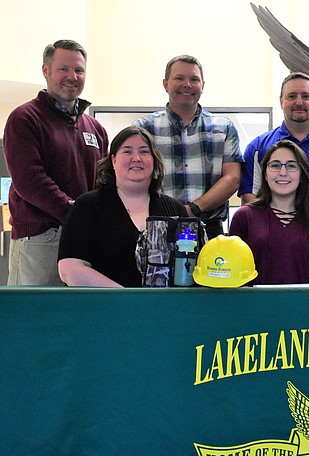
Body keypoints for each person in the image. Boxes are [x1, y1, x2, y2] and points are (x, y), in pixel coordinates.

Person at [3, 39, 109, 286]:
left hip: (85, 238)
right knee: (35, 317)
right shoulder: (25, 118)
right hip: (42, 238)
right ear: (46, 71)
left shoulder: (95, 128)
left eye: (79, 70)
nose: (72, 76)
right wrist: (77, 215)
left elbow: (105, 182)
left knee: (78, 317)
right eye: (63, 69)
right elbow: (29, 181)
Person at [58, 126, 188, 287]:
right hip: (104, 308)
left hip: (164, 309)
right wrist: (127, 299)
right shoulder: (88, 206)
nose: (136, 158)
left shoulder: (176, 210)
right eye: (127, 151)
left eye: (144, 151)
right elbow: (69, 269)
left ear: (154, 161)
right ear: (113, 160)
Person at [132, 55, 242, 233]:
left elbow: (233, 178)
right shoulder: (144, 129)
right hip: (157, 229)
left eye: (194, 79)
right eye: (179, 78)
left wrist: (193, 209)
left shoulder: (224, 128)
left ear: (203, 86)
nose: (187, 84)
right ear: (166, 84)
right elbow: (133, 178)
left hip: (209, 231)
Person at [239, 72, 309, 230]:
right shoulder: (257, 147)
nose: (299, 102)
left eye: (306, 96)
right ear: (281, 102)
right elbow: (250, 196)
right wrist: (279, 231)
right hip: (273, 241)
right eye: (292, 96)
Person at [228, 140, 309, 285]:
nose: (282, 172)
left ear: (302, 175)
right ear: (265, 174)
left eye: (291, 166)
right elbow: (233, 273)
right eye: (275, 166)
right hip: (254, 306)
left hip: (307, 306)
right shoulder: (244, 217)